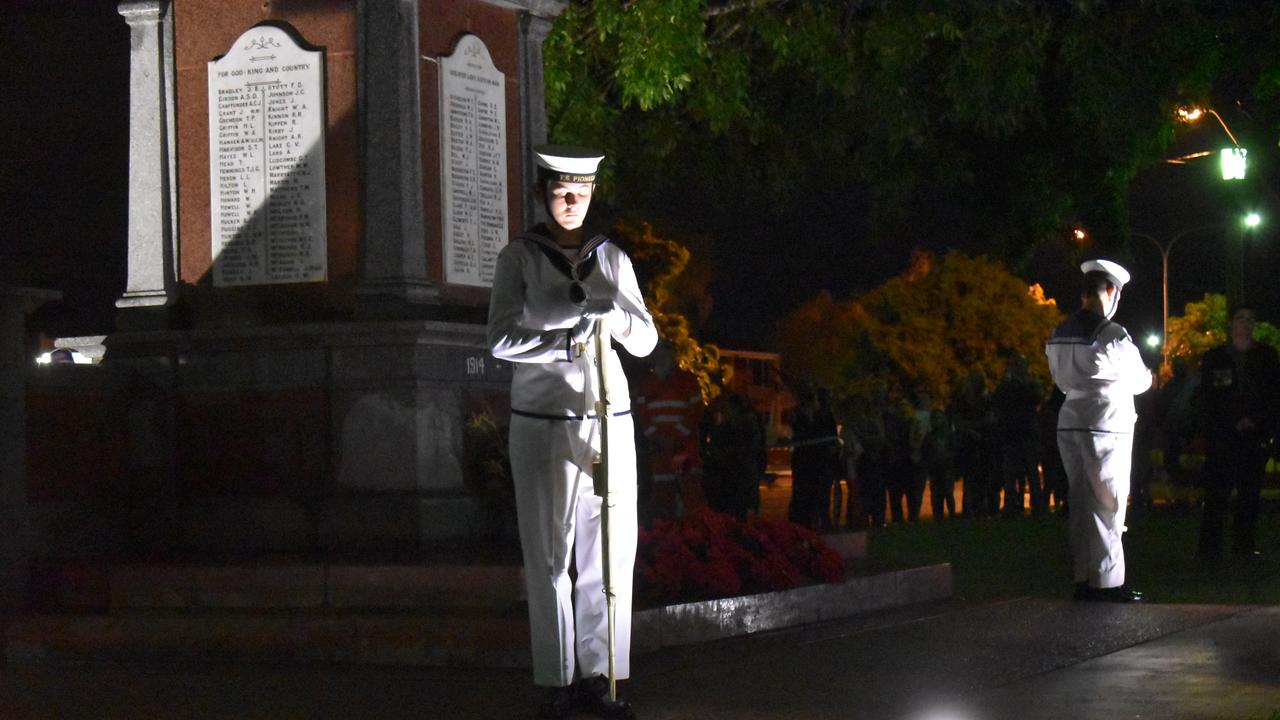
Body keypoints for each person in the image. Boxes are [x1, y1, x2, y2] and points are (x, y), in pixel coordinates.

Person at [487, 145, 657, 719]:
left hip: (610, 422)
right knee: (551, 558)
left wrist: (614, 314)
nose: (570, 200)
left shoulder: (612, 258)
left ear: (591, 195)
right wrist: (565, 335)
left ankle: (599, 676)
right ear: (542, 194)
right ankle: (557, 681)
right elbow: (501, 339)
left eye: (580, 192)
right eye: (560, 191)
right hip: (544, 423)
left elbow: (647, 340)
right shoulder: (520, 258)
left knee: (608, 556)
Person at [1046, 259, 1152, 603]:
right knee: (1107, 503)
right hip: (1106, 424)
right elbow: (1140, 380)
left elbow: (1060, 382)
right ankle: (1107, 582)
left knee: (1080, 503)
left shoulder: (1059, 332)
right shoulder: (1111, 333)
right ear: (1110, 292)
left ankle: (1083, 578)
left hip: (1071, 418)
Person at [1192, 302, 1280, 562]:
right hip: (1223, 436)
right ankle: (1210, 550)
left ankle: (1244, 546)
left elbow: (1272, 395)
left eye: (1250, 319)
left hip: (1254, 436)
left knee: (1249, 495)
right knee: (1217, 493)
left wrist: (1257, 421)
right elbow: (1209, 397)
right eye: (1241, 318)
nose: (1246, 324)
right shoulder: (1215, 357)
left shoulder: (1266, 357)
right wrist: (1232, 419)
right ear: (1231, 324)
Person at [634, 341, 705, 520]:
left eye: (667, 353)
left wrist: (676, 437)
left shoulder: (688, 380)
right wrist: (657, 438)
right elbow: (642, 413)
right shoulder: (648, 383)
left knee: (690, 492)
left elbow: (695, 411)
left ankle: (692, 535)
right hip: (659, 450)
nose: (664, 357)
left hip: (683, 449)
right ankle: (664, 534)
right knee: (662, 491)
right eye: (660, 353)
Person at [992, 353, 1044, 516]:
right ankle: (1012, 505)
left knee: (1030, 473)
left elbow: (1036, 399)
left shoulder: (1030, 384)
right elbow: (998, 401)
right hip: (1012, 434)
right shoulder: (1007, 385)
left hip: (1025, 432)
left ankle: (1036, 505)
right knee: (1011, 474)